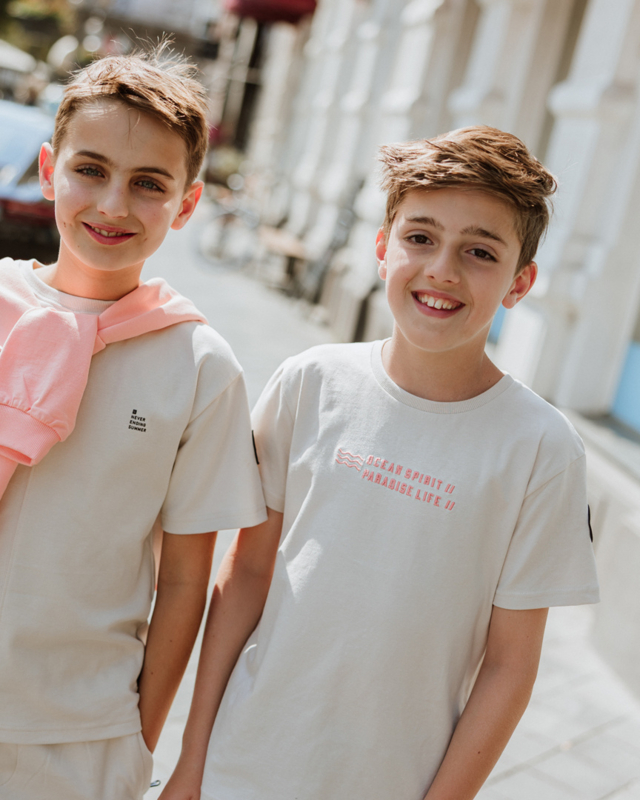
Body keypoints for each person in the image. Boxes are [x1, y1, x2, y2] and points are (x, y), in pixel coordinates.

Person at [0, 47, 266, 799]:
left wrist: (139, 737)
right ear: (48, 170)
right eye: (90, 170)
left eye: (149, 184)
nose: (113, 204)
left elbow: (184, 577)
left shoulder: (200, 367)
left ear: (187, 204)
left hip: (77, 733)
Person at [160, 126, 600, 800]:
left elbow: (510, 666)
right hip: (239, 766)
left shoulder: (541, 448)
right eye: (420, 237)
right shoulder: (309, 382)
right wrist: (191, 761)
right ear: (381, 248)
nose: (443, 270)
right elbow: (246, 572)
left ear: (520, 283)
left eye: (480, 251)